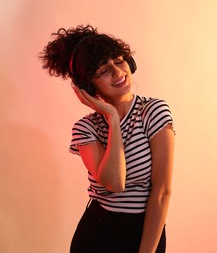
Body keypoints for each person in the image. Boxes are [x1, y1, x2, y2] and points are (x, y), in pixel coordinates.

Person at [39, 24, 175, 253]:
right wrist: (112, 118)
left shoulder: (154, 111)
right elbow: (115, 183)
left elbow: (162, 192)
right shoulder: (85, 128)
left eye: (119, 60)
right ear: (87, 86)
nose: (117, 71)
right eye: (102, 70)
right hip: (97, 232)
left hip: (144, 230)